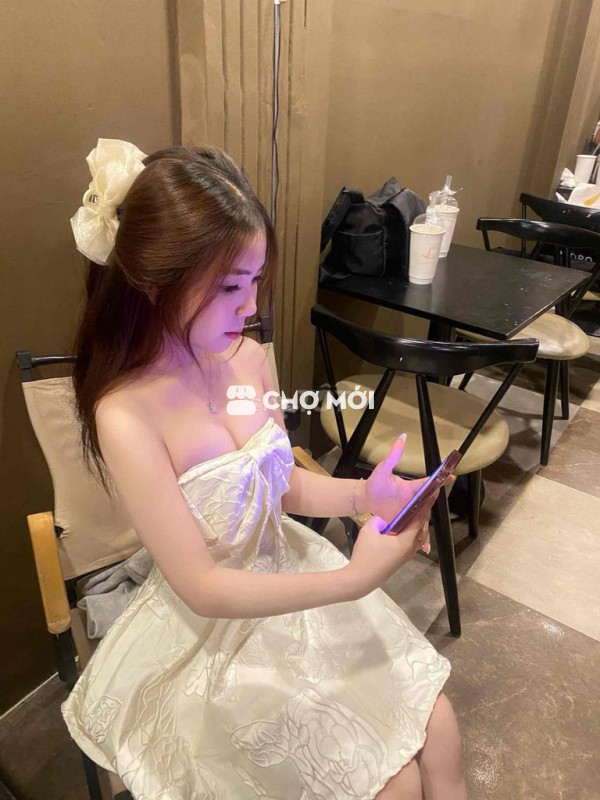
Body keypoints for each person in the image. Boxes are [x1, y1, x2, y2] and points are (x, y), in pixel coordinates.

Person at [62, 138, 467, 800]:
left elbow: (281, 485)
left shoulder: (247, 358)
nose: (249, 307)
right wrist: (355, 579)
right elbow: (202, 587)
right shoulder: (125, 414)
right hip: (212, 631)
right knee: (390, 785)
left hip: (289, 570)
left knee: (439, 726)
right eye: (228, 287)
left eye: (254, 282)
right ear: (154, 281)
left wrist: (364, 495)